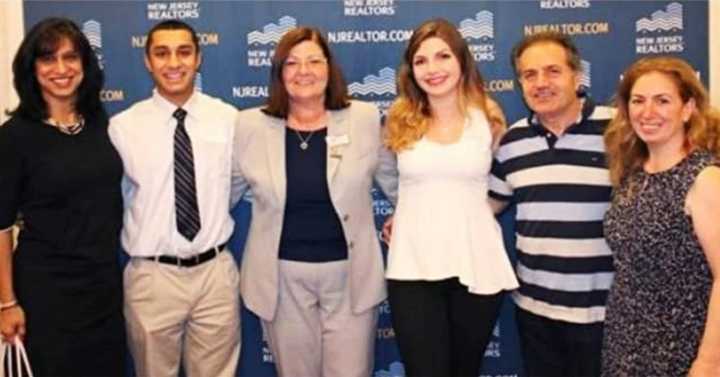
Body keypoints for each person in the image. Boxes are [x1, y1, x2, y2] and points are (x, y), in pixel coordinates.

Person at [231, 26, 397, 377]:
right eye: (291, 63)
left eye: (313, 61)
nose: (303, 71)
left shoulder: (364, 118)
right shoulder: (249, 125)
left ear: (329, 68)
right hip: (281, 278)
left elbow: (396, 183)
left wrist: (408, 214)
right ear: (279, 73)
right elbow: (221, 194)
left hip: (351, 275)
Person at [382, 18, 518, 377]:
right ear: (411, 70)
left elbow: (503, 185)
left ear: (462, 61)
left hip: (475, 261)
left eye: (442, 56)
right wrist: (408, 213)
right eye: (421, 60)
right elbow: (394, 181)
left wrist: (469, 213)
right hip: (413, 266)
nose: (433, 68)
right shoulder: (398, 119)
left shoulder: (488, 117)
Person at [109, 20, 240, 377]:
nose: (174, 63)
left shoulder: (228, 119)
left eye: (184, 52)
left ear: (198, 58)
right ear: (148, 62)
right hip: (152, 276)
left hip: (214, 274)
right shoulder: (122, 127)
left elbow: (239, 183)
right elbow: (115, 198)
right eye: (161, 53)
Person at [0, 17, 125, 376]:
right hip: (46, 294)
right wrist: (7, 303)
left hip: (103, 288)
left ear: (85, 65)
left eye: (71, 58)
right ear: (31, 68)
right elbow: (1, 226)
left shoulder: (100, 123)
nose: (61, 69)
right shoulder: (14, 138)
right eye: (48, 59)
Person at [488, 31, 614, 377]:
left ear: (577, 75)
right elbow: (485, 208)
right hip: (536, 314)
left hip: (607, 314)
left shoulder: (619, 131)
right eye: (530, 75)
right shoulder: (512, 142)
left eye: (552, 71)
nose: (541, 83)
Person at [601, 56, 720, 377]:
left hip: (681, 349)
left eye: (662, 101)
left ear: (687, 108)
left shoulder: (704, 178)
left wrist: (709, 363)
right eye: (638, 101)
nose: (647, 112)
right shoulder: (631, 174)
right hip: (624, 343)